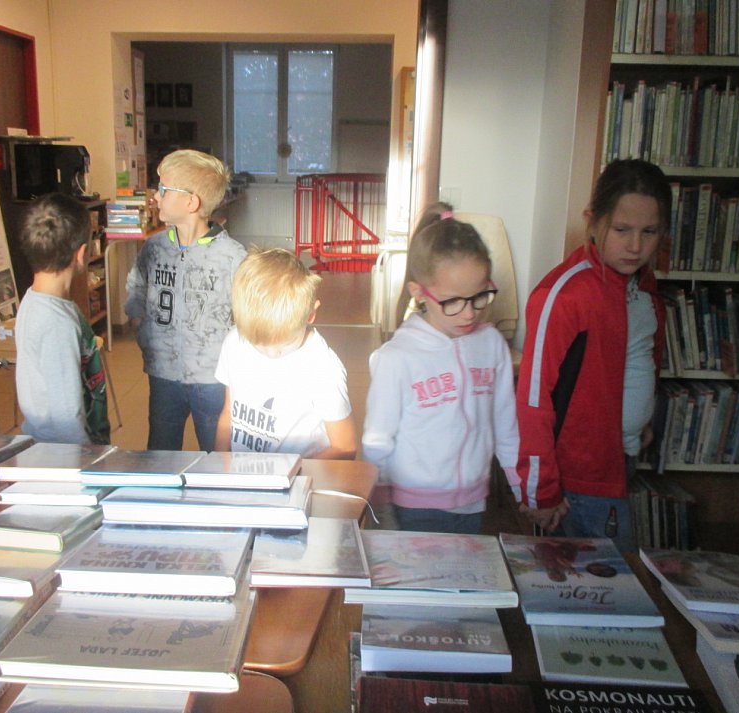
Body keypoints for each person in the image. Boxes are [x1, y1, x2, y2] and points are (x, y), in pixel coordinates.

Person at [515, 158, 672, 553]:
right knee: (597, 579)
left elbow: (639, 359)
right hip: (578, 479)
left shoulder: (644, 288)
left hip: (623, 459)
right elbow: (533, 398)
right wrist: (541, 492)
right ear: (592, 221)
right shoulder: (564, 295)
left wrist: (642, 421)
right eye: (621, 230)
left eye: (649, 232)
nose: (635, 246)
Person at [362, 204, 521, 534]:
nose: (469, 313)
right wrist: (378, 504)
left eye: (479, 296)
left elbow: (505, 422)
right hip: (414, 507)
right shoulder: (397, 357)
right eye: (453, 301)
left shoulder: (492, 344)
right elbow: (378, 440)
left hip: (474, 501)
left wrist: (523, 487)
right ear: (419, 293)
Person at [125, 149, 246, 451]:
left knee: (216, 453)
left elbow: (246, 314)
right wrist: (141, 326)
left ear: (191, 202)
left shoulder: (232, 256)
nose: (155, 197)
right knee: (161, 452)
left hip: (212, 379)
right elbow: (136, 287)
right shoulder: (154, 248)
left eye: (163, 190)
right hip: (163, 374)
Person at [214, 247, 357, 459]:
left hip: (300, 476)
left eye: (283, 344)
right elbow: (228, 413)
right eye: (258, 344)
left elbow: (344, 447)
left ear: (311, 314)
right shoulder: (235, 342)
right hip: (243, 474)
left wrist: (296, 472)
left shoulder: (323, 368)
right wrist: (220, 463)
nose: (271, 354)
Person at [15, 192, 110, 445]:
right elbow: (67, 415)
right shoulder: (57, 324)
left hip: (54, 446)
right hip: (65, 453)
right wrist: (88, 459)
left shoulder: (35, 300)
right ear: (81, 254)